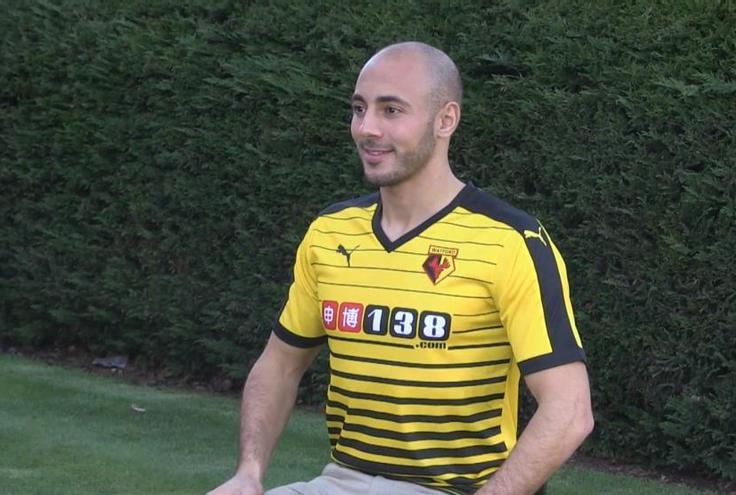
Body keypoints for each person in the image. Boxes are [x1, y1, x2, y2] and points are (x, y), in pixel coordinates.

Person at [207, 41, 594, 495]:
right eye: (359, 108)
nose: (366, 128)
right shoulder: (332, 232)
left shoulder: (510, 241)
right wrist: (248, 473)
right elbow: (279, 365)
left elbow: (569, 410)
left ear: (445, 120)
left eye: (391, 110)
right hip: (341, 481)